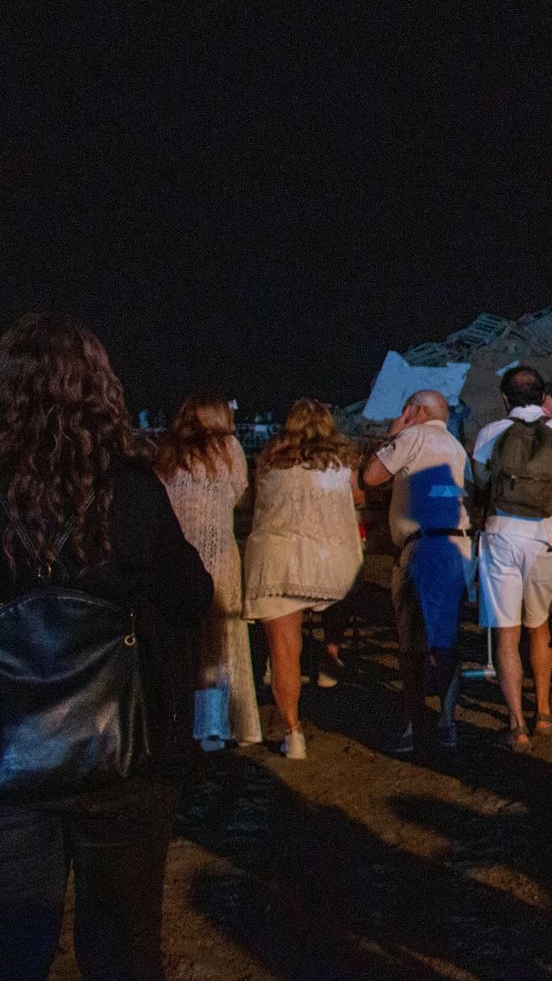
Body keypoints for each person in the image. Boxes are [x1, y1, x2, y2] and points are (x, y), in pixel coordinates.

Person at [0, 313, 213, 981]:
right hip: (123, 750)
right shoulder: (131, 490)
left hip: (9, 756)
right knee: (123, 946)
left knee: (12, 947)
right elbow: (191, 597)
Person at [473, 366, 552, 752]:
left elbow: (479, 482)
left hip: (502, 536)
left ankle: (517, 725)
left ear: (504, 398)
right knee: (539, 626)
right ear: (543, 396)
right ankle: (542, 711)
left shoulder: (490, 433)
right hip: (546, 539)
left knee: (506, 634)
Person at [242, 399, 364, 760]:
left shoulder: (268, 462)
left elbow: (254, 501)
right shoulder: (342, 462)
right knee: (341, 591)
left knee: (284, 652)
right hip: (328, 560)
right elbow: (359, 497)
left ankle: (293, 733)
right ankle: (331, 653)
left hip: (278, 561)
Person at [360, 390, 472, 752]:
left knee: (412, 642)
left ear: (416, 411)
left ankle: (411, 724)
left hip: (421, 548)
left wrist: (392, 435)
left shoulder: (412, 437)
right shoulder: (455, 446)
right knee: (447, 639)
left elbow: (371, 477)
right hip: (456, 548)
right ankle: (447, 722)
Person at [155, 391, 261, 751]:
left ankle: (181, 721)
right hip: (220, 556)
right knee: (220, 644)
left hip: (178, 557)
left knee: (183, 641)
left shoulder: (168, 452)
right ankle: (213, 725)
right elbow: (239, 492)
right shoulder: (229, 449)